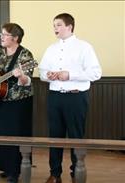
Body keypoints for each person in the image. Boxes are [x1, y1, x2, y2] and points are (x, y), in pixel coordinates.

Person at [39, 13, 102, 183]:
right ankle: (55, 174)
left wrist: (70, 75)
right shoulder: (51, 48)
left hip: (76, 97)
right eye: (54, 25)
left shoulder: (85, 47)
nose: (55, 29)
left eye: (58, 25)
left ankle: (77, 173)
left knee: (76, 136)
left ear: (69, 27)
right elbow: (42, 72)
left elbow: (96, 73)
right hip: (54, 97)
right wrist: (48, 75)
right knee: (54, 137)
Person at [0, 23, 35, 183]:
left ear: (15, 38)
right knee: (2, 133)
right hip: (1, 100)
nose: (1, 37)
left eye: (5, 34)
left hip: (19, 101)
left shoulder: (25, 55)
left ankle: (15, 171)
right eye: (1, 34)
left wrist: (20, 76)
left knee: (17, 135)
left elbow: (27, 81)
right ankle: (6, 167)